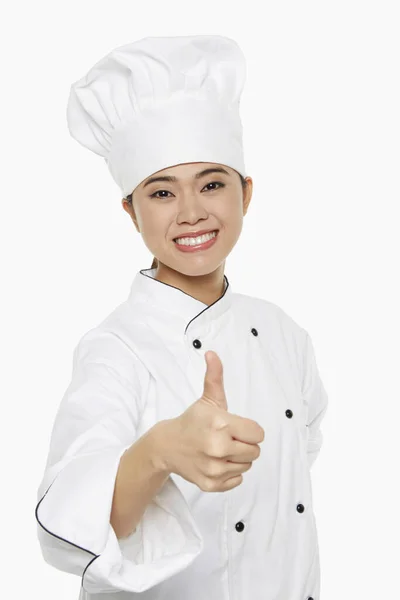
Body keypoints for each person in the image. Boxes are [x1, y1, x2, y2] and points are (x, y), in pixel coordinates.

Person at [35, 35, 329, 600]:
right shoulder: (115, 347)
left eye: (212, 184)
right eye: (162, 192)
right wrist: (161, 450)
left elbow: (296, 467)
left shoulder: (286, 334)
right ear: (131, 210)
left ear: (246, 193)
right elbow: (67, 531)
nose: (192, 212)